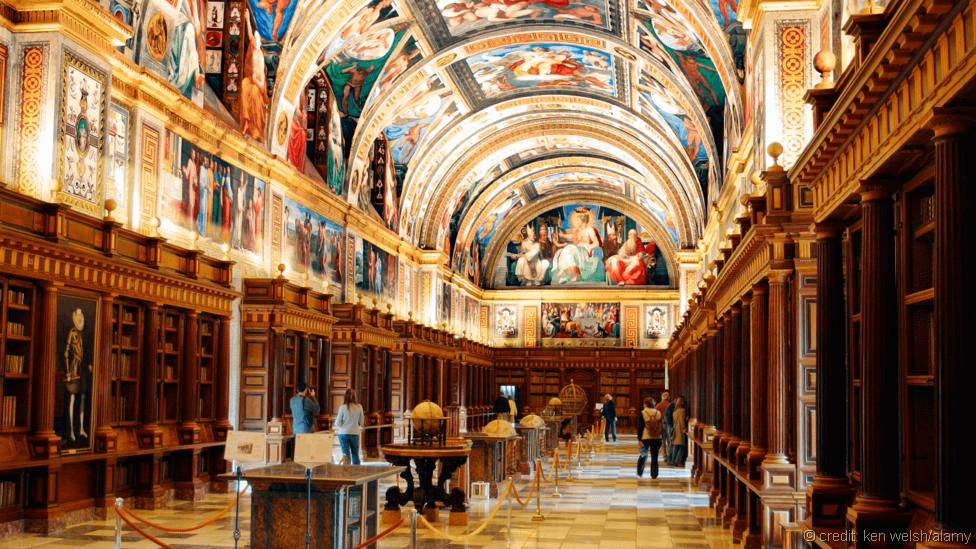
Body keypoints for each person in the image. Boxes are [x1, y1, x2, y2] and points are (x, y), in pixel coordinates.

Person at [334, 389, 364, 464]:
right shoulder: (359, 407)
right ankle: (357, 472)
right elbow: (362, 422)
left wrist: (344, 425)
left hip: (343, 433)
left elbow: (337, 423)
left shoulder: (343, 407)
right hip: (354, 433)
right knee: (355, 454)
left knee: (345, 455)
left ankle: (346, 472)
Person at [636, 397, 663, 478]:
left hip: (645, 438)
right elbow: (661, 426)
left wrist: (639, 439)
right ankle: (654, 474)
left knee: (643, 454)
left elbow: (640, 427)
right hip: (657, 438)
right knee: (655, 456)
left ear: (645, 404)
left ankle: (640, 472)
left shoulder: (643, 412)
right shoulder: (658, 413)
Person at [671, 397, 688, 467]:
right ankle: (678, 461)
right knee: (681, 446)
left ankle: (673, 460)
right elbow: (681, 421)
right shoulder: (682, 411)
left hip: (675, 429)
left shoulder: (675, 411)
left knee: (676, 446)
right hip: (680, 430)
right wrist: (684, 428)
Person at [657, 391, 671, 459]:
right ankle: (669, 454)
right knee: (669, 440)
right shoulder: (670, 405)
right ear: (668, 397)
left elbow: (656, 416)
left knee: (663, 439)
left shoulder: (658, 405)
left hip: (661, 424)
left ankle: (664, 454)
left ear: (662, 397)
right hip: (669, 424)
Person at [665, 394, 678, 464]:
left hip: (668, 426)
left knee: (670, 442)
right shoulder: (672, 406)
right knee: (671, 442)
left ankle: (670, 458)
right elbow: (668, 417)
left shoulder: (670, 405)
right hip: (671, 426)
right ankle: (670, 459)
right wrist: (672, 425)